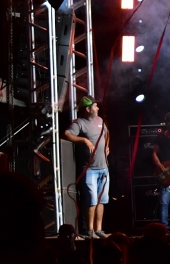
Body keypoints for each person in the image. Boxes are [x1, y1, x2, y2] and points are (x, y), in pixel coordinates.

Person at [63, 95, 110, 239]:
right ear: (88, 109)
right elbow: (67, 134)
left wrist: (107, 146)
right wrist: (84, 140)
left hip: (103, 168)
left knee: (102, 200)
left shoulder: (100, 120)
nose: (98, 108)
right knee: (91, 200)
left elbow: (106, 133)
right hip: (89, 169)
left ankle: (99, 230)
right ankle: (89, 230)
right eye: (95, 106)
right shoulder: (79, 123)